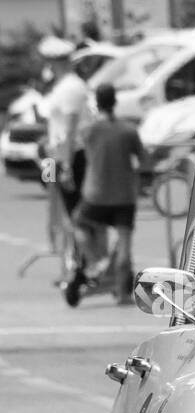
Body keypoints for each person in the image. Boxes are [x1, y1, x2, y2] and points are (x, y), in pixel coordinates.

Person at [66, 84, 149, 305]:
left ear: (97, 103)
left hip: (96, 195)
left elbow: (78, 146)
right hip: (124, 196)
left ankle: (96, 263)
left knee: (78, 223)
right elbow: (143, 161)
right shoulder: (129, 130)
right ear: (115, 102)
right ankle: (122, 293)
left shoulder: (89, 130)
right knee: (124, 244)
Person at [38, 37, 90, 221]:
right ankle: (58, 245)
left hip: (69, 155)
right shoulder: (57, 86)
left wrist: (67, 166)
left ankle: (76, 249)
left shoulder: (70, 87)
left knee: (72, 207)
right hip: (52, 157)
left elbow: (70, 129)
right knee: (54, 202)